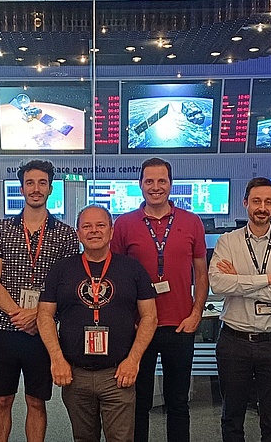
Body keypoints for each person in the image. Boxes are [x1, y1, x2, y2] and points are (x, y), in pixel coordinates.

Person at [38, 205, 158, 442]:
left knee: (121, 439)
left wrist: (133, 361)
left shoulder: (132, 268)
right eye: (87, 226)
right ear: (78, 233)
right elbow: (44, 316)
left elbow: (150, 317)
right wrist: (57, 359)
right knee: (83, 438)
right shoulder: (62, 269)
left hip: (118, 374)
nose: (94, 231)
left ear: (111, 231)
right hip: (75, 374)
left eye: (101, 225)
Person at [111, 157, 208, 442]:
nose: (156, 187)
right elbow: (115, 276)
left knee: (178, 402)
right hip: (139, 327)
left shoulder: (192, 222)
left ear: (171, 184)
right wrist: (125, 321)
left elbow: (201, 273)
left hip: (180, 326)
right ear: (140, 185)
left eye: (161, 181)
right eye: (149, 181)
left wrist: (196, 313)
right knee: (138, 403)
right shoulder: (124, 224)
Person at [0, 160, 80, 442]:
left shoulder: (65, 234)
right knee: (2, 401)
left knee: (36, 402)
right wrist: (19, 315)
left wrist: (37, 315)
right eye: (30, 183)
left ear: (50, 188)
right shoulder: (0, 229)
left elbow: (66, 287)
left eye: (42, 183)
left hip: (42, 333)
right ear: (21, 188)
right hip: (4, 329)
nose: (36, 189)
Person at [208, 178, 271, 442]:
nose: (262, 207)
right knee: (231, 418)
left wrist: (239, 282)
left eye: (268, 202)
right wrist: (266, 279)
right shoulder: (228, 242)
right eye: (256, 201)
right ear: (245, 203)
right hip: (234, 341)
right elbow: (218, 285)